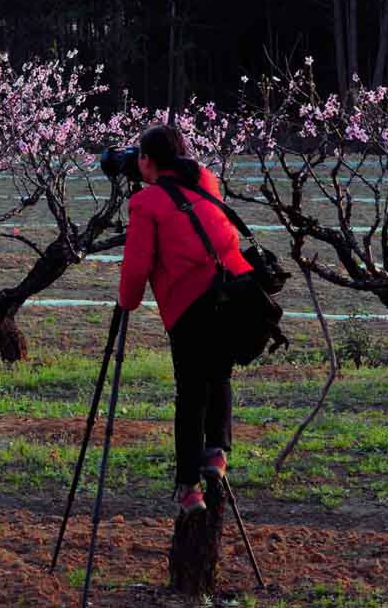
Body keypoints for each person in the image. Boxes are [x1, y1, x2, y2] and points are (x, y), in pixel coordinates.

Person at [117, 124, 253, 514]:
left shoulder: (147, 203)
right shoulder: (206, 181)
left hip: (191, 302)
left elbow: (136, 267)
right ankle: (216, 454)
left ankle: (188, 486)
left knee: (191, 392)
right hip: (234, 293)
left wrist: (127, 304)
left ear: (147, 160)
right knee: (218, 376)